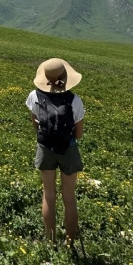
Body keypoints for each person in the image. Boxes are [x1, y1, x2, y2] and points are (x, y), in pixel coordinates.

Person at [26, 58, 85, 245]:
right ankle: (69, 242)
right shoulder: (75, 101)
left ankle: (50, 242)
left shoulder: (34, 96)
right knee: (69, 197)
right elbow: (79, 134)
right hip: (68, 149)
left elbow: (35, 125)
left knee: (48, 195)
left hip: (45, 148)